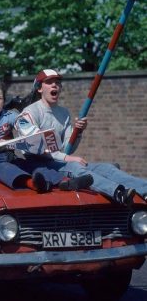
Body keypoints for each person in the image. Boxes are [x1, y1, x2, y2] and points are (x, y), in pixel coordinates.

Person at [15, 68, 147, 205]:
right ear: (39, 88)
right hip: (38, 164)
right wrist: (67, 158)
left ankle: (145, 190)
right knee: (76, 167)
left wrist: (78, 132)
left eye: (57, 82)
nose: (54, 85)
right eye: (49, 82)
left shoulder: (63, 113)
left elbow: (67, 148)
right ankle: (119, 193)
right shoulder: (29, 114)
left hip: (59, 162)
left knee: (106, 168)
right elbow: (38, 147)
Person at [0, 81, 93, 192]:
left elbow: (28, 131)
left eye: (0, 98)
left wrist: (37, 135)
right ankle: (34, 184)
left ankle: (65, 182)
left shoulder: (11, 116)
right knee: (4, 169)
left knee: (31, 165)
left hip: (9, 156)